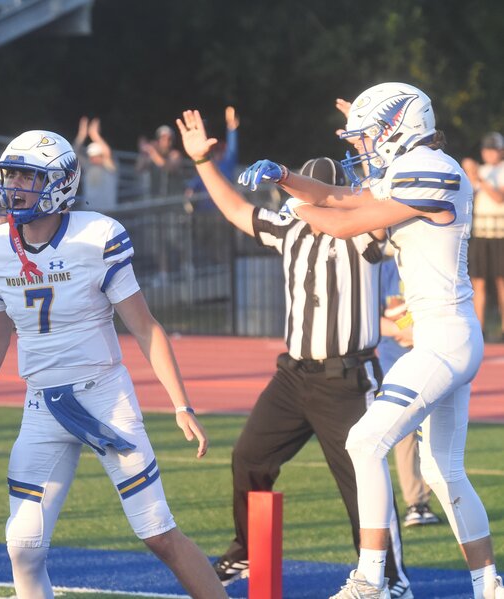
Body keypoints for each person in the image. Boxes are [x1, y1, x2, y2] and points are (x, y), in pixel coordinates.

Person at [0, 129, 228, 599]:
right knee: (22, 544)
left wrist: (181, 404)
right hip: (41, 406)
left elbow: (145, 327)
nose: (16, 187)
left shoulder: (97, 237)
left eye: (29, 176)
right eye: (12, 175)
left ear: (61, 183)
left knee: (158, 533)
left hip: (105, 398)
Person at [237, 82, 504, 599]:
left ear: (397, 128)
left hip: (442, 340)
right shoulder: (418, 167)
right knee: (443, 473)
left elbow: (349, 219)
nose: (361, 148)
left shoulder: (437, 169)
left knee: (364, 440)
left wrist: (291, 208)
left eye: (366, 137)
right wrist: (286, 177)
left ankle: (370, 579)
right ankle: (490, 586)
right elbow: (341, 194)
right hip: (442, 335)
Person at [177, 109, 410, 598]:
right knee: (249, 457)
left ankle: (388, 579)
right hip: (292, 376)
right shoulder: (291, 228)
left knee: (361, 484)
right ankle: (248, 548)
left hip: (345, 378)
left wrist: (369, 140)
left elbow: (381, 198)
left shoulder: (363, 230)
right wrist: (202, 161)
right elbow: (237, 210)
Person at [378, 252, 441, 528]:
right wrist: (405, 329)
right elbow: (379, 314)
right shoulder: (385, 269)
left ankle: (436, 498)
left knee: (435, 431)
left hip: (435, 360)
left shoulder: (431, 264)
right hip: (397, 364)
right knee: (404, 434)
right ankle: (416, 503)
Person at [462, 132, 504, 342]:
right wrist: (470, 176)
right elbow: (468, 196)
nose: (489, 153)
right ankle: (480, 328)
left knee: (501, 281)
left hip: (500, 232)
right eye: (486, 149)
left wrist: (479, 178)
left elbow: (498, 198)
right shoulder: (481, 171)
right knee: (477, 281)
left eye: (493, 149)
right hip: (480, 232)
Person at [184, 106, 239, 212]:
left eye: (220, 150)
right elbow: (196, 183)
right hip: (205, 212)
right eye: (217, 150)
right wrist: (190, 191)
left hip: (225, 211)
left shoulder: (227, 163)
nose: (219, 152)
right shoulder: (210, 166)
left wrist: (232, 128)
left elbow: (232, 147)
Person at [73, 116, 118, 212]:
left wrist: (95, 135)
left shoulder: (109, 167)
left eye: (96, 156)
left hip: (108, 211)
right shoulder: (89, 167)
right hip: (90, 210)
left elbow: (107, 152)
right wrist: (81, 135)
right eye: (91, 156)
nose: (93, 158)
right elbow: (74, 152)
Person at [137, 124, 185, 198]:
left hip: (172, 198)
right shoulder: (152, 156)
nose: (166, 142)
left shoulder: (175, 155)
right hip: (154, 197)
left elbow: (169, 167)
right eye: (163, 138)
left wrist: (152, 151)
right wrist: (144, 152)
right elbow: (139, 169)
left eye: (169, 139)